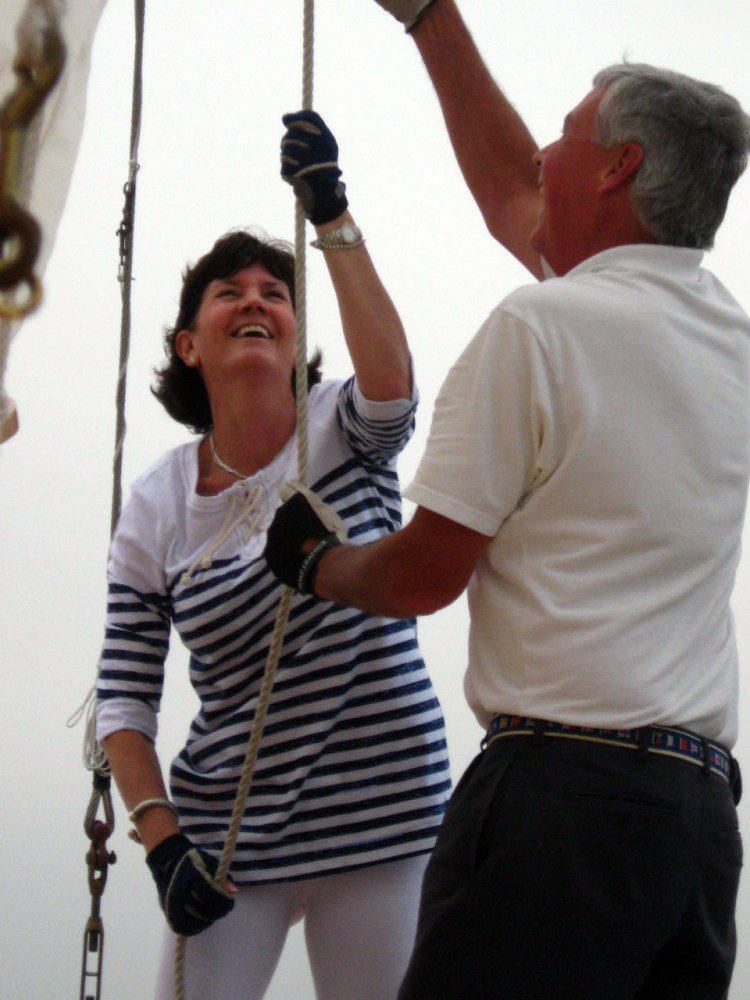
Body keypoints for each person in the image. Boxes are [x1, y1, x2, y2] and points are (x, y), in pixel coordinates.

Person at [264, 36, 750, 1000]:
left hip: (558, 808)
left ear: (622, 167)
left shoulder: (538, 328)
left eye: (565, 135)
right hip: (697, 824)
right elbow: (520, 208)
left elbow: (421, 579)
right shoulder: (730, 338)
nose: (539, 156)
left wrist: (318, 560)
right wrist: (428, 19)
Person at [95, 109, 451, 1000]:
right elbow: (125, 698)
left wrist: (330, 214)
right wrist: (161, 839)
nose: (255, 299)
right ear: (189, 344)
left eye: (275, 293)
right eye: (229, 292)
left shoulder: (343, 426)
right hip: (225, 840)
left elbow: (395, 389)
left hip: (382, 812)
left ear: (294, 337)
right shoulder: (156, 506)